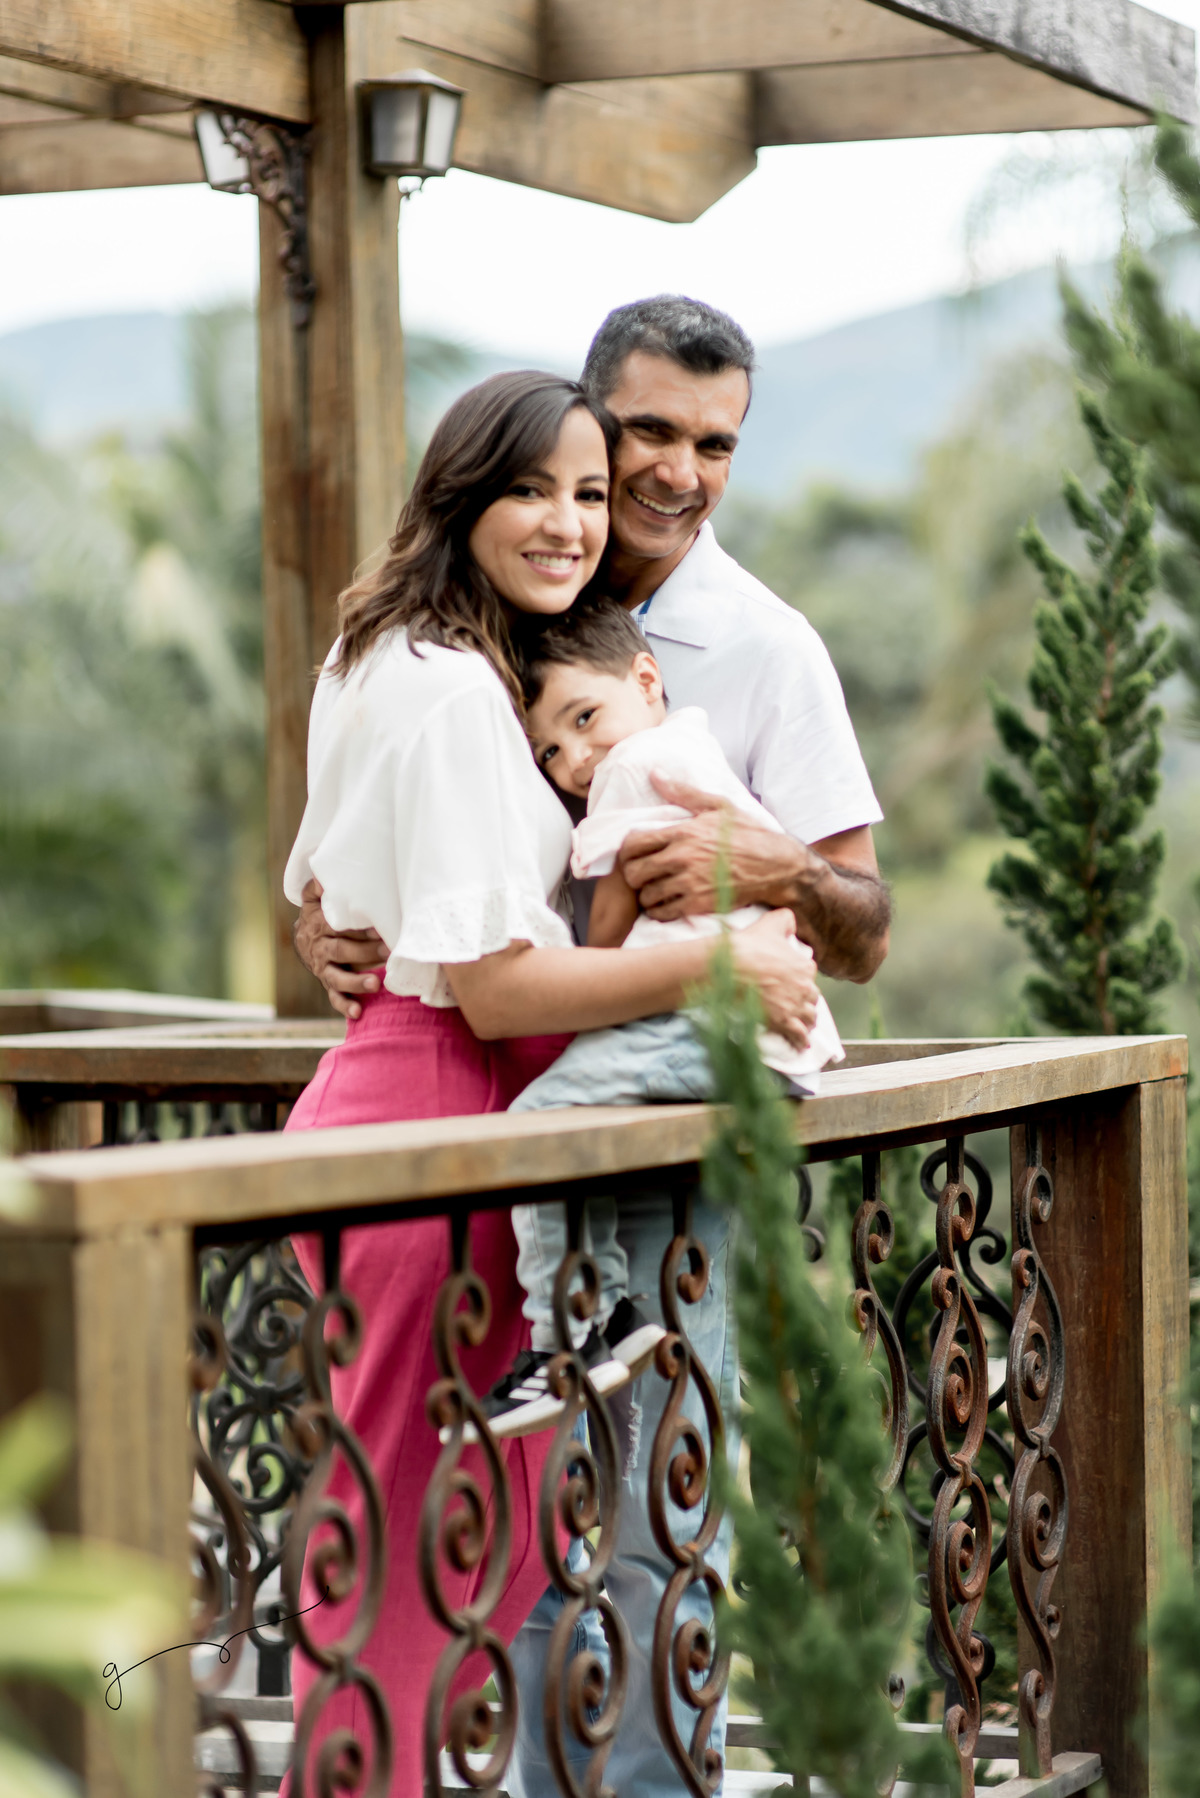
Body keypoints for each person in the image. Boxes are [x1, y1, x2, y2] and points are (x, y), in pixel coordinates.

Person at [294, 299, 887, 1794]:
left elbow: (867, 919)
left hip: (640, 1133)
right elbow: (412, 901)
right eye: (641, 440)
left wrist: (775, 877)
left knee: (632, 1526)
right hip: (480, 1106)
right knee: (450, 1542)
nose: (673, 474)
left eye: (716, 445)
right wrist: (331, 919)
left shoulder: (761, 647)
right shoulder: (460, 658)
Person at [472, 599, 845, 1442]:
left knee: (540, 1124)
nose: (575, 758)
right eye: (549, 750)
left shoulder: (635, 769)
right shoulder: (691, 753)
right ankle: (605, 1311)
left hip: (708, 1025)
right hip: (761, 1035)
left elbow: (606, 931)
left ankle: (573, 1333)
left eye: (583, 718)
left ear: (647, 680)